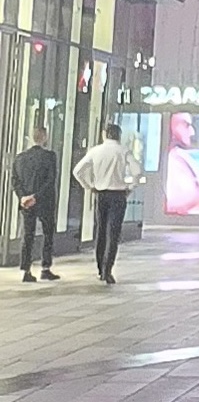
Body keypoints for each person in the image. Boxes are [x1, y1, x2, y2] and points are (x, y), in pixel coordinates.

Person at [72, 122, 140, 285]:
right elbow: (137, 171)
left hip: (101, 194)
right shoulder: (123, 151)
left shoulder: (95, 151)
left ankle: (99, 268)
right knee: (113, 233)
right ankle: (107, 270)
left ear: (104, 134)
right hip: (118, 195)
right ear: (119, 135)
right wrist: (130, 187)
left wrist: (89, 186)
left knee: (101, 231)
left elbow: (77, 171)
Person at [10, 124, 59, 283]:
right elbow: (50, 180)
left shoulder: (20, 158)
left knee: (27, 235)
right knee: (47, 234)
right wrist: (36, 196)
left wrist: (23, 197)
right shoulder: (50, 156)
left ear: (31, 137)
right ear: (44, 137)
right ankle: (45, 268)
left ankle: (26, 270)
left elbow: (15, 180)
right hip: (45, 202)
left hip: (26, 203)